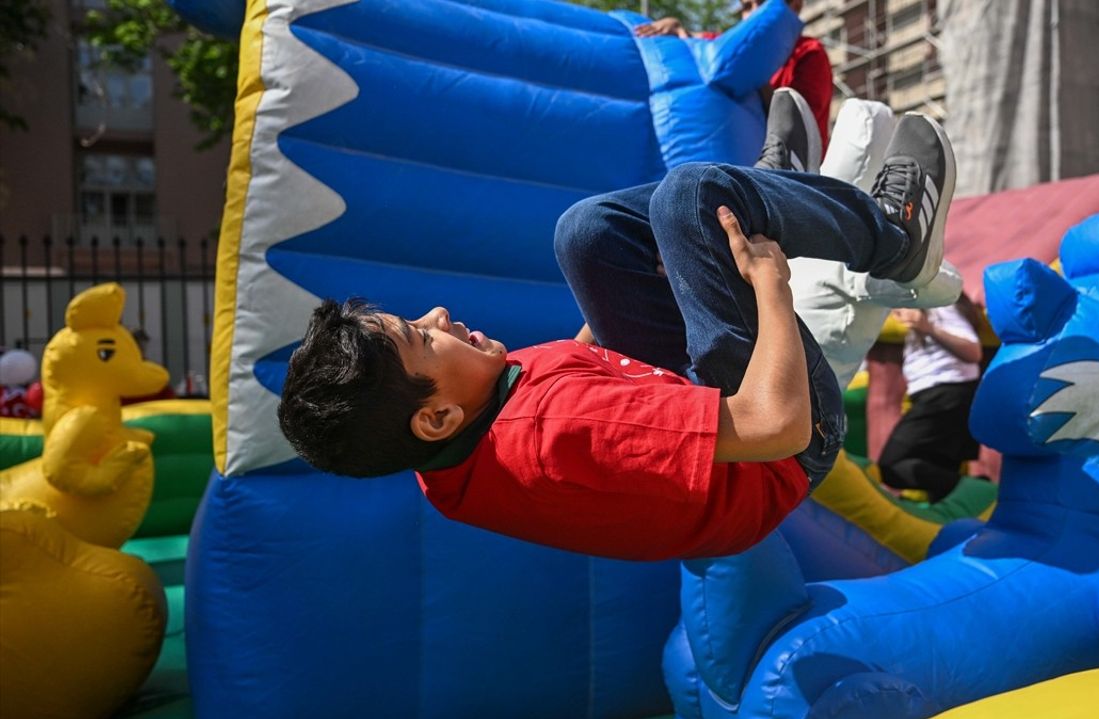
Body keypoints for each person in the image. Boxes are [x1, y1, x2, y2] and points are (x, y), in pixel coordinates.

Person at [277, 96, 955, 561]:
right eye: (422, 338)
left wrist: (641, 283)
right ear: (436, 417)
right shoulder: (569, 428)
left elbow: (570, 398)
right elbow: (774, 426)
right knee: (693, 198)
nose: (439, 316)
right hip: (779, 453)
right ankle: (894, 236)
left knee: (588, 233)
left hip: (716, 443)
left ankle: (761, 199)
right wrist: (770, 291)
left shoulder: (443, 463)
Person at [635, 0, 834, 155]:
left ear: (794, 7)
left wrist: (752, 75)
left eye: (763, 4)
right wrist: (678, 29)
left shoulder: (809, 52)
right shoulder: (736, 50)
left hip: (790, 175)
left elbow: (799, 126)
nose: (754, 13)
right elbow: (709, 48)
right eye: (747, 6)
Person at [876, 295, 983, 502]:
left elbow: (973, 351)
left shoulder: (940, 307)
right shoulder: (926, 313)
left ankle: (979, 491)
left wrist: (929, 328)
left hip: (945, 393)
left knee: (892, 465)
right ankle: (959, 513)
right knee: (938, 471)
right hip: (946, 395)